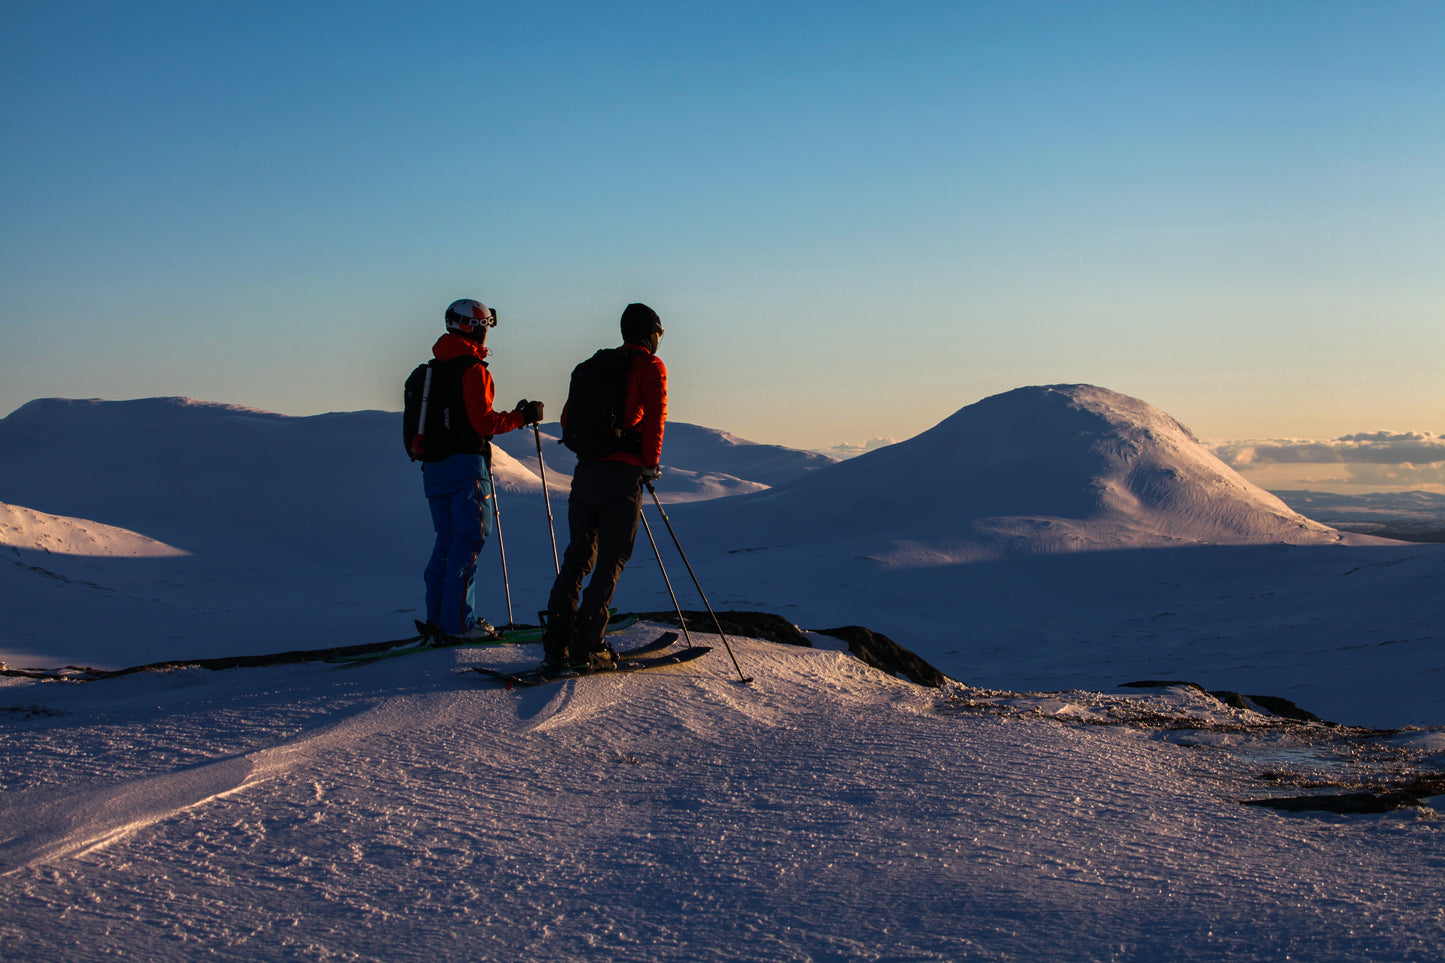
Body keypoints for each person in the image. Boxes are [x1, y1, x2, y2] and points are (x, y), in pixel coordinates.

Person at [542, 303, 667, 670]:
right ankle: (588, 645)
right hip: (622, 476)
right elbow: (655, 418)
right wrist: (649, 464)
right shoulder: (648, 365)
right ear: (651, 333)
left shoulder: (593, 366)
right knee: (613, 558)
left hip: (586, 472)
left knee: (578, 556)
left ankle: (556, 644)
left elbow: (568, 417)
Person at [418, 298, 543, 640]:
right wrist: (521, 416)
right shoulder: (472, 370)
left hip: (433, 468)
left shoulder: (431, 371)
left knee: (446, 541)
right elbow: (483, 423)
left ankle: (438, 619)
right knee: (470, 540)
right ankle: (460, 624)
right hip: (466, 467)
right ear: (476, 328)